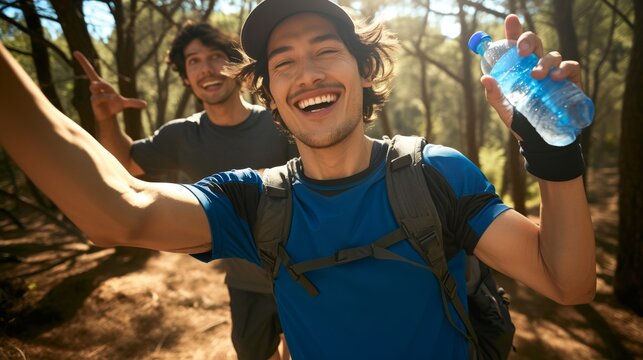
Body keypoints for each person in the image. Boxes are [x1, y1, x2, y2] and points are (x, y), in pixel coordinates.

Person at [0, 0, 595, 358]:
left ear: (364, 72)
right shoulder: (253, 199)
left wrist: (557, 161)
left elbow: (567, 283)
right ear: (270, 95)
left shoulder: (436, 172)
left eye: (325, 52)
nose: (305, 73)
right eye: (283, 62)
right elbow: (120, 208)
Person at [73, 22, 295, 360]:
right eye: (193, 61)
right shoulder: (181, 137)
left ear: (236, 65)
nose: (206, 68)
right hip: (245, 282)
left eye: (216, 57)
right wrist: (106, 119)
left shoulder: (279, 122)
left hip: (305, 271)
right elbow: (125, 166)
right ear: (186, 78)